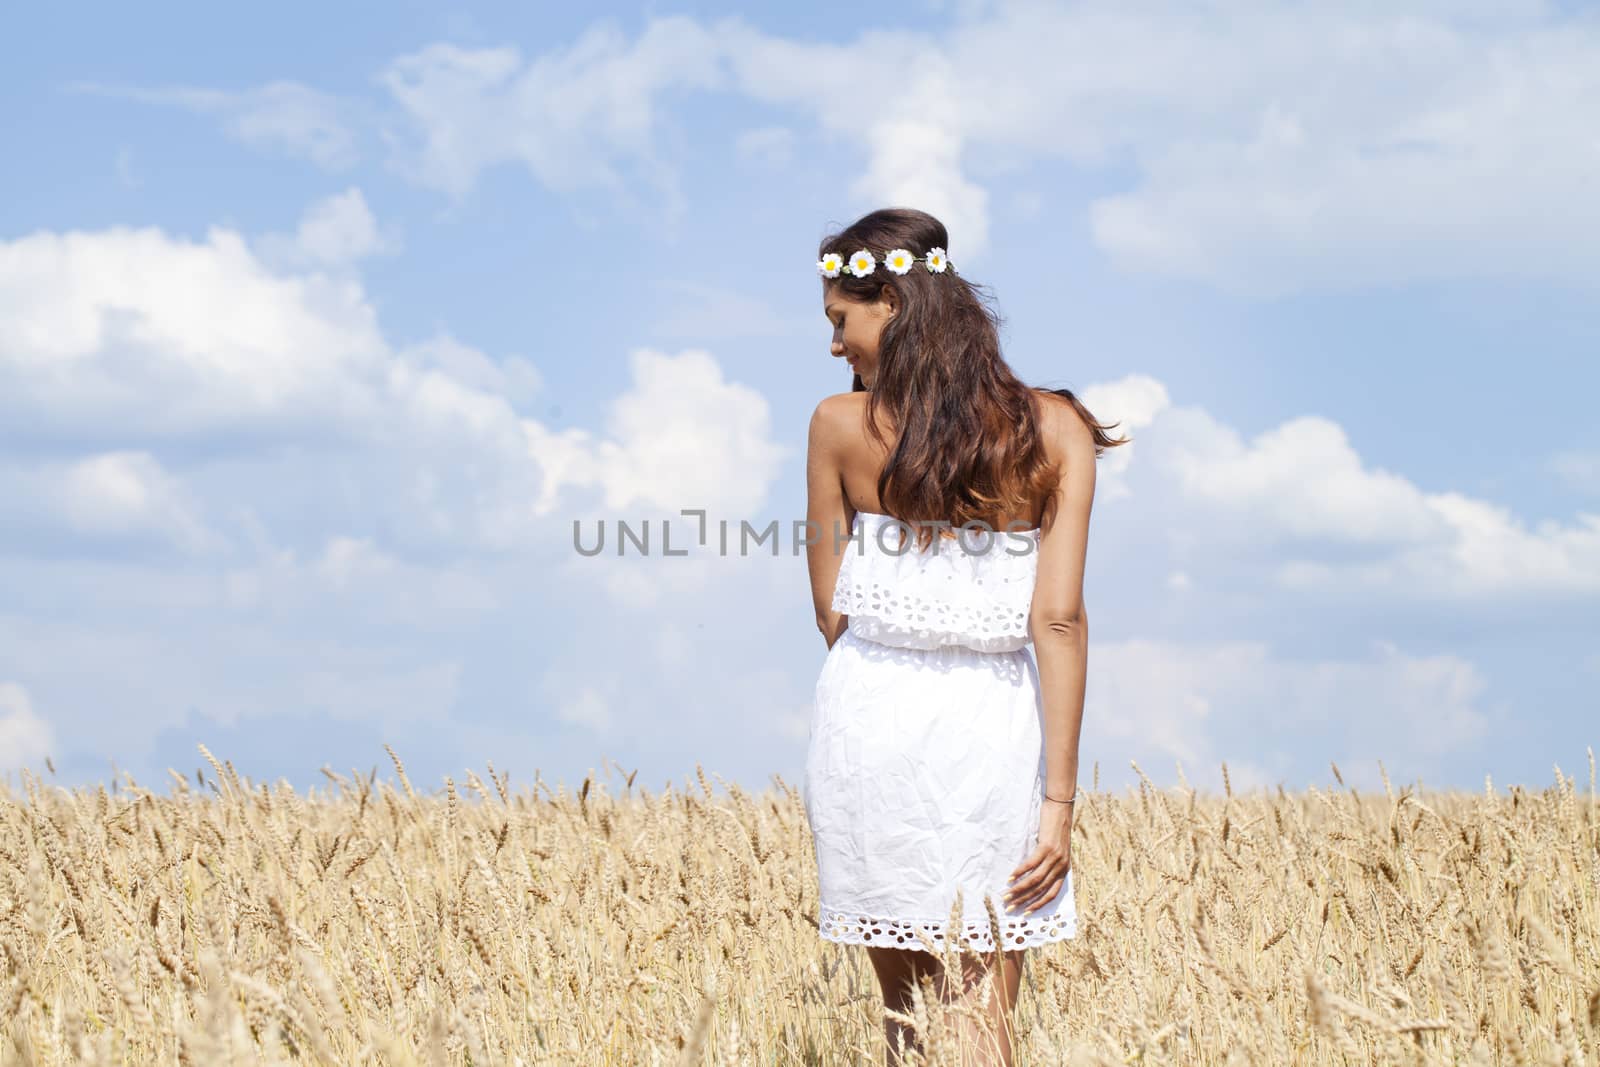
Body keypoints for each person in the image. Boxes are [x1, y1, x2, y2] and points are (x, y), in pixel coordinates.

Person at [803, 207, 1129, 1065]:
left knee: (908, 1018)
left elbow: (832, 608)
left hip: (871, 715)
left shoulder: (838, 426)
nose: (836, 346)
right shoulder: (1055, 428)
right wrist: (1058, 806)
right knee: (984, 1014)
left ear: (895, 308)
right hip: (995, 728)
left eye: (842, 319)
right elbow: (1058, 620)